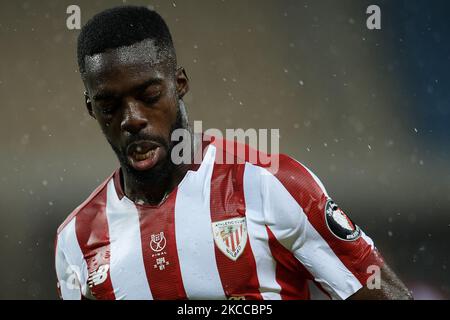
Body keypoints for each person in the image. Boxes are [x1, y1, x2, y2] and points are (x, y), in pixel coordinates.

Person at [55, 5, 412, 300]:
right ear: (91, 108)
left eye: (149, 97)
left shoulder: (269, 184)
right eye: (109, 106)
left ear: (179, 84)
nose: (132, 119)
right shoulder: (76, 241)